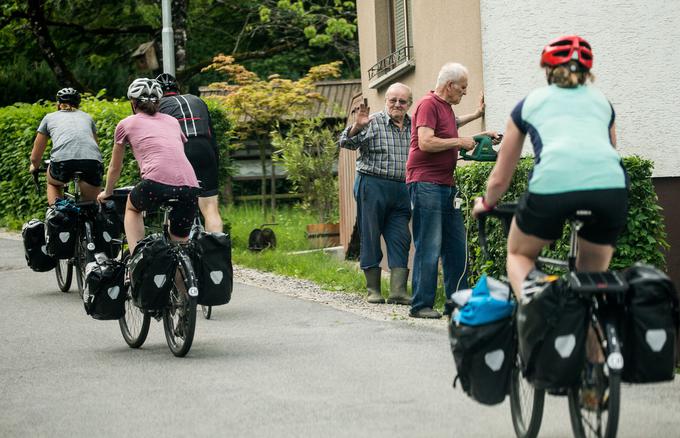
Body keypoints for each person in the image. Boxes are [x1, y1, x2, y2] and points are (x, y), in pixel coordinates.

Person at [471, 35, 628, 299]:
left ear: (548, 69)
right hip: (611, 190)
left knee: (519, 253)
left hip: (552, 188)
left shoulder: (529, 104)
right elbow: (609, 151)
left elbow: (500, 177)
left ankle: (539, 316)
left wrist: (485, 204)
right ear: (589, 72)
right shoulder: (603, 103)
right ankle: (596, 334)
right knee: (590, 284)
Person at [407, 63, 499, 319]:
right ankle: (421, 305)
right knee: (429, 245)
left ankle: (458, 303)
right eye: (463, 87)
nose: (465, 92)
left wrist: (482, 132)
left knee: (456, 247)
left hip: (445, 186)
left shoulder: (445, 108)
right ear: (449, 86)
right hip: (426, 184)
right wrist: (461, 141)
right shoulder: (427, 104)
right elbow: (426, 141)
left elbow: (454, 126)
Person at [97, 78, 200, 253]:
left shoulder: (126, 123)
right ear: (158, 102)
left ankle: (138, 258)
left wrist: (108, 192)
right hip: (190, 186)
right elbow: (175, 155)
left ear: (133, 102)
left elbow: (115, 167)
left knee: (132, 208)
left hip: (155, 184)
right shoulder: (172, 121)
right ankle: (184, 275)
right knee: (179, 248)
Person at [338, 83, 413, 305]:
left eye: (403, 101)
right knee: (370, 236)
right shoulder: (373, 121)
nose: (398, 104)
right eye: (393, 100)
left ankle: (398, 292)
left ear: (409, 103)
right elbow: (346, 142)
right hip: (372, 185)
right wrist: (356, 127)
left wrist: (476, 116)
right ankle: (373, 290)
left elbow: (444, 128)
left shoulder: (414, 124)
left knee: (401, 237)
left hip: (402, 188)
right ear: (386, 101)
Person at [156, 73, 223, 233]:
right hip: (205, 149)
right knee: (210, 208)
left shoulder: (157, 106)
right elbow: (212, 137)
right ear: (178, 89)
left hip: (181, 149)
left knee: (177, 206)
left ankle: (178, 253)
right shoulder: (198, 100)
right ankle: (216, 252)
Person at [30, 88, 103, 205]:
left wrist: (34, 166)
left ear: (58, 104)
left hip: (62, 163)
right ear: (78, 104)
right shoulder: (87, 117)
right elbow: (95, 147)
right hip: (92, 162)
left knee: (53, 183)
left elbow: (35, 157)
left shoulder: (49, 118)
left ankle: (57, 213)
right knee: (91, 205)